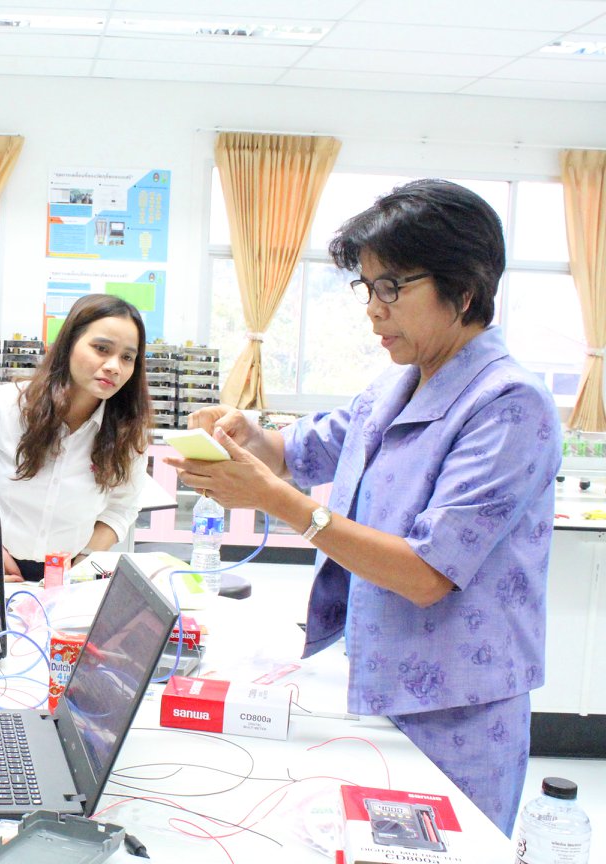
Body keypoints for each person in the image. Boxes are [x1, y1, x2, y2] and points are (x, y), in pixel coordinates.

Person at [165, 179, 560, 834]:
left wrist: (280, 503)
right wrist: (243, 435)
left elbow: (427, 574)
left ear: (464, 290)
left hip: (455, 708)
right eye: (367, 287)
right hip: (372, 673)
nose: (373, 310)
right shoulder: (395, 386)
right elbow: (298, 452)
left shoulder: (509, 404)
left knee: (443, 844)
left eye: (392, 288)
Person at [0, 293, 152, 582]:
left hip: (69, 573)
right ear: (68, 345)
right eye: (101, 348)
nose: (114, 366)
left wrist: (84, 562)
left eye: (127, 357)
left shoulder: (129, 432)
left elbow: (122, 508)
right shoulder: (5, 405)